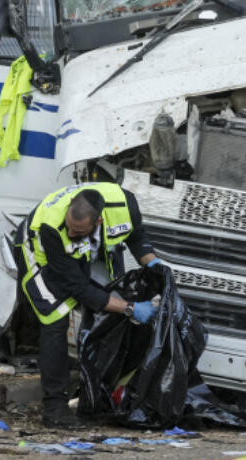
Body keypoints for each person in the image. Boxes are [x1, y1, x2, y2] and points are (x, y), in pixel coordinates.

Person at [14, 183, 161, 428]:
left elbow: (136, 237)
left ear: (98, 222)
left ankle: (101, 395)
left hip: (75, 257)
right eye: (70, 227)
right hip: (36, 253)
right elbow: (78, 288)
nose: (71, 233)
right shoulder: (52, 227)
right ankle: (54, 409)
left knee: (105, 306)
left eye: (79, 230)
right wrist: (130, 308)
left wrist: (154, 265)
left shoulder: (125, 205)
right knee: (54, 319)